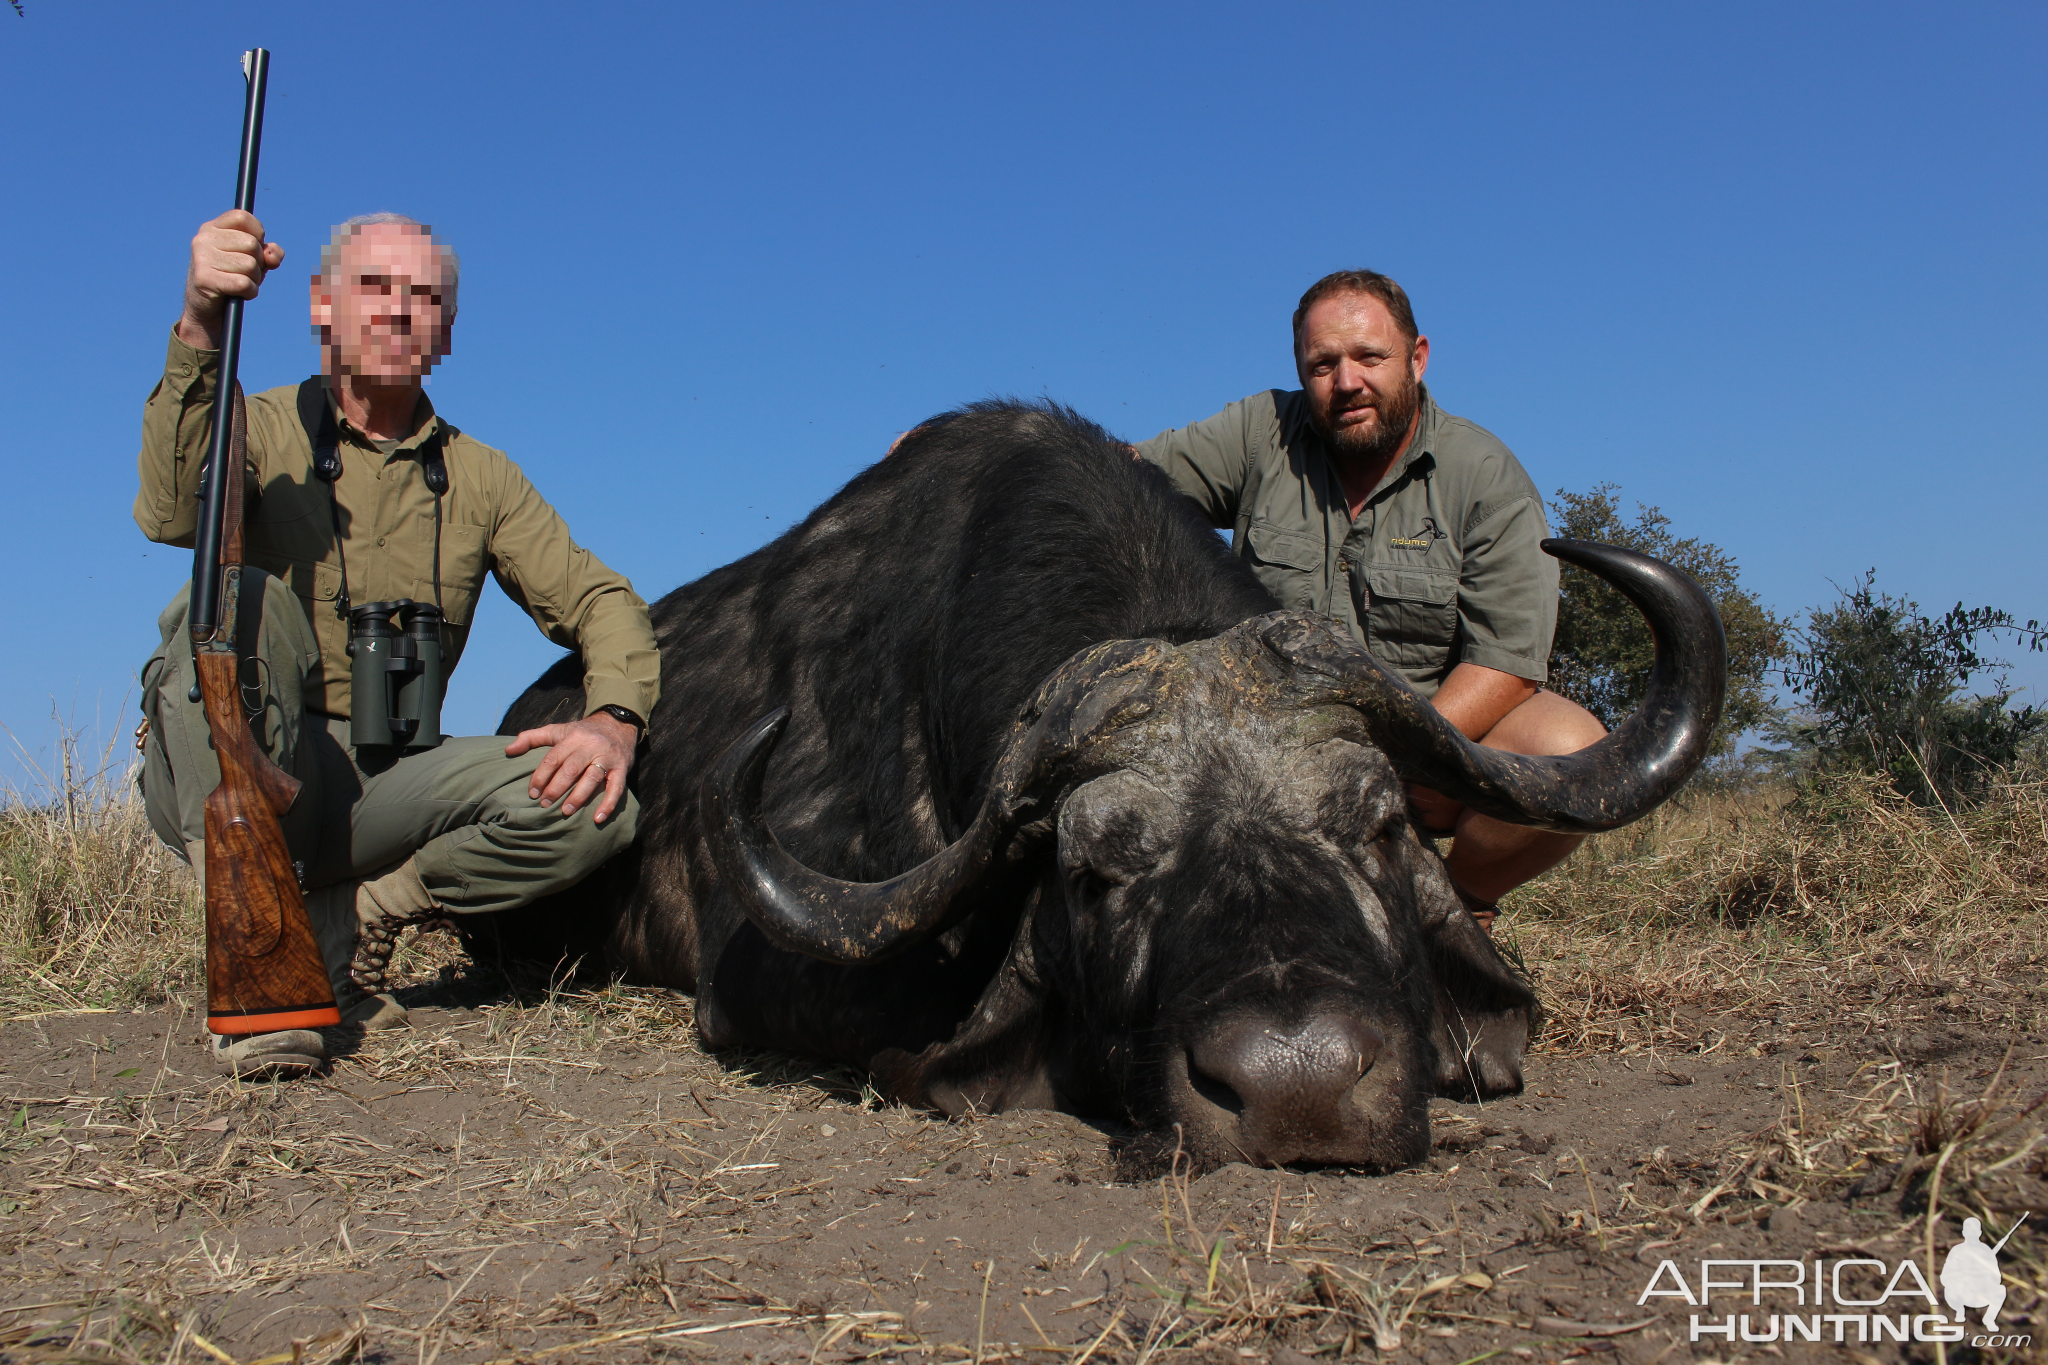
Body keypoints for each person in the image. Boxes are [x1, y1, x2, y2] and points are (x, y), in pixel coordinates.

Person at [135, 210, 661, 1078]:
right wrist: (202, 319)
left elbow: (601, 597)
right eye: (374, 287)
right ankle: (259, 957)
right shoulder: (259, 428)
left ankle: (361, 913)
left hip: (383, 777)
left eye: (423, 297)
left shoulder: (482, 474)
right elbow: (168, 511)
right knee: (234, 604)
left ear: (446, 331)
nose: (397, 311)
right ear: (321, 306)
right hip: (240, 763)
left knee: (595, 809)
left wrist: (612, 718)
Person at [1132, 269, 1605, 930]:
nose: (1346, 381)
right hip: (1263, 750)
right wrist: (997, 447)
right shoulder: (1260, 430)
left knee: (1573, 752)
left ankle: (1451, 914)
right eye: (1322, 364)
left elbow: (1507, 665)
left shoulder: (1485, 475)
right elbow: (1123, 477)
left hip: (1419, 755)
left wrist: (1389, 755)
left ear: (1418, 358)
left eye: (1369, 357)